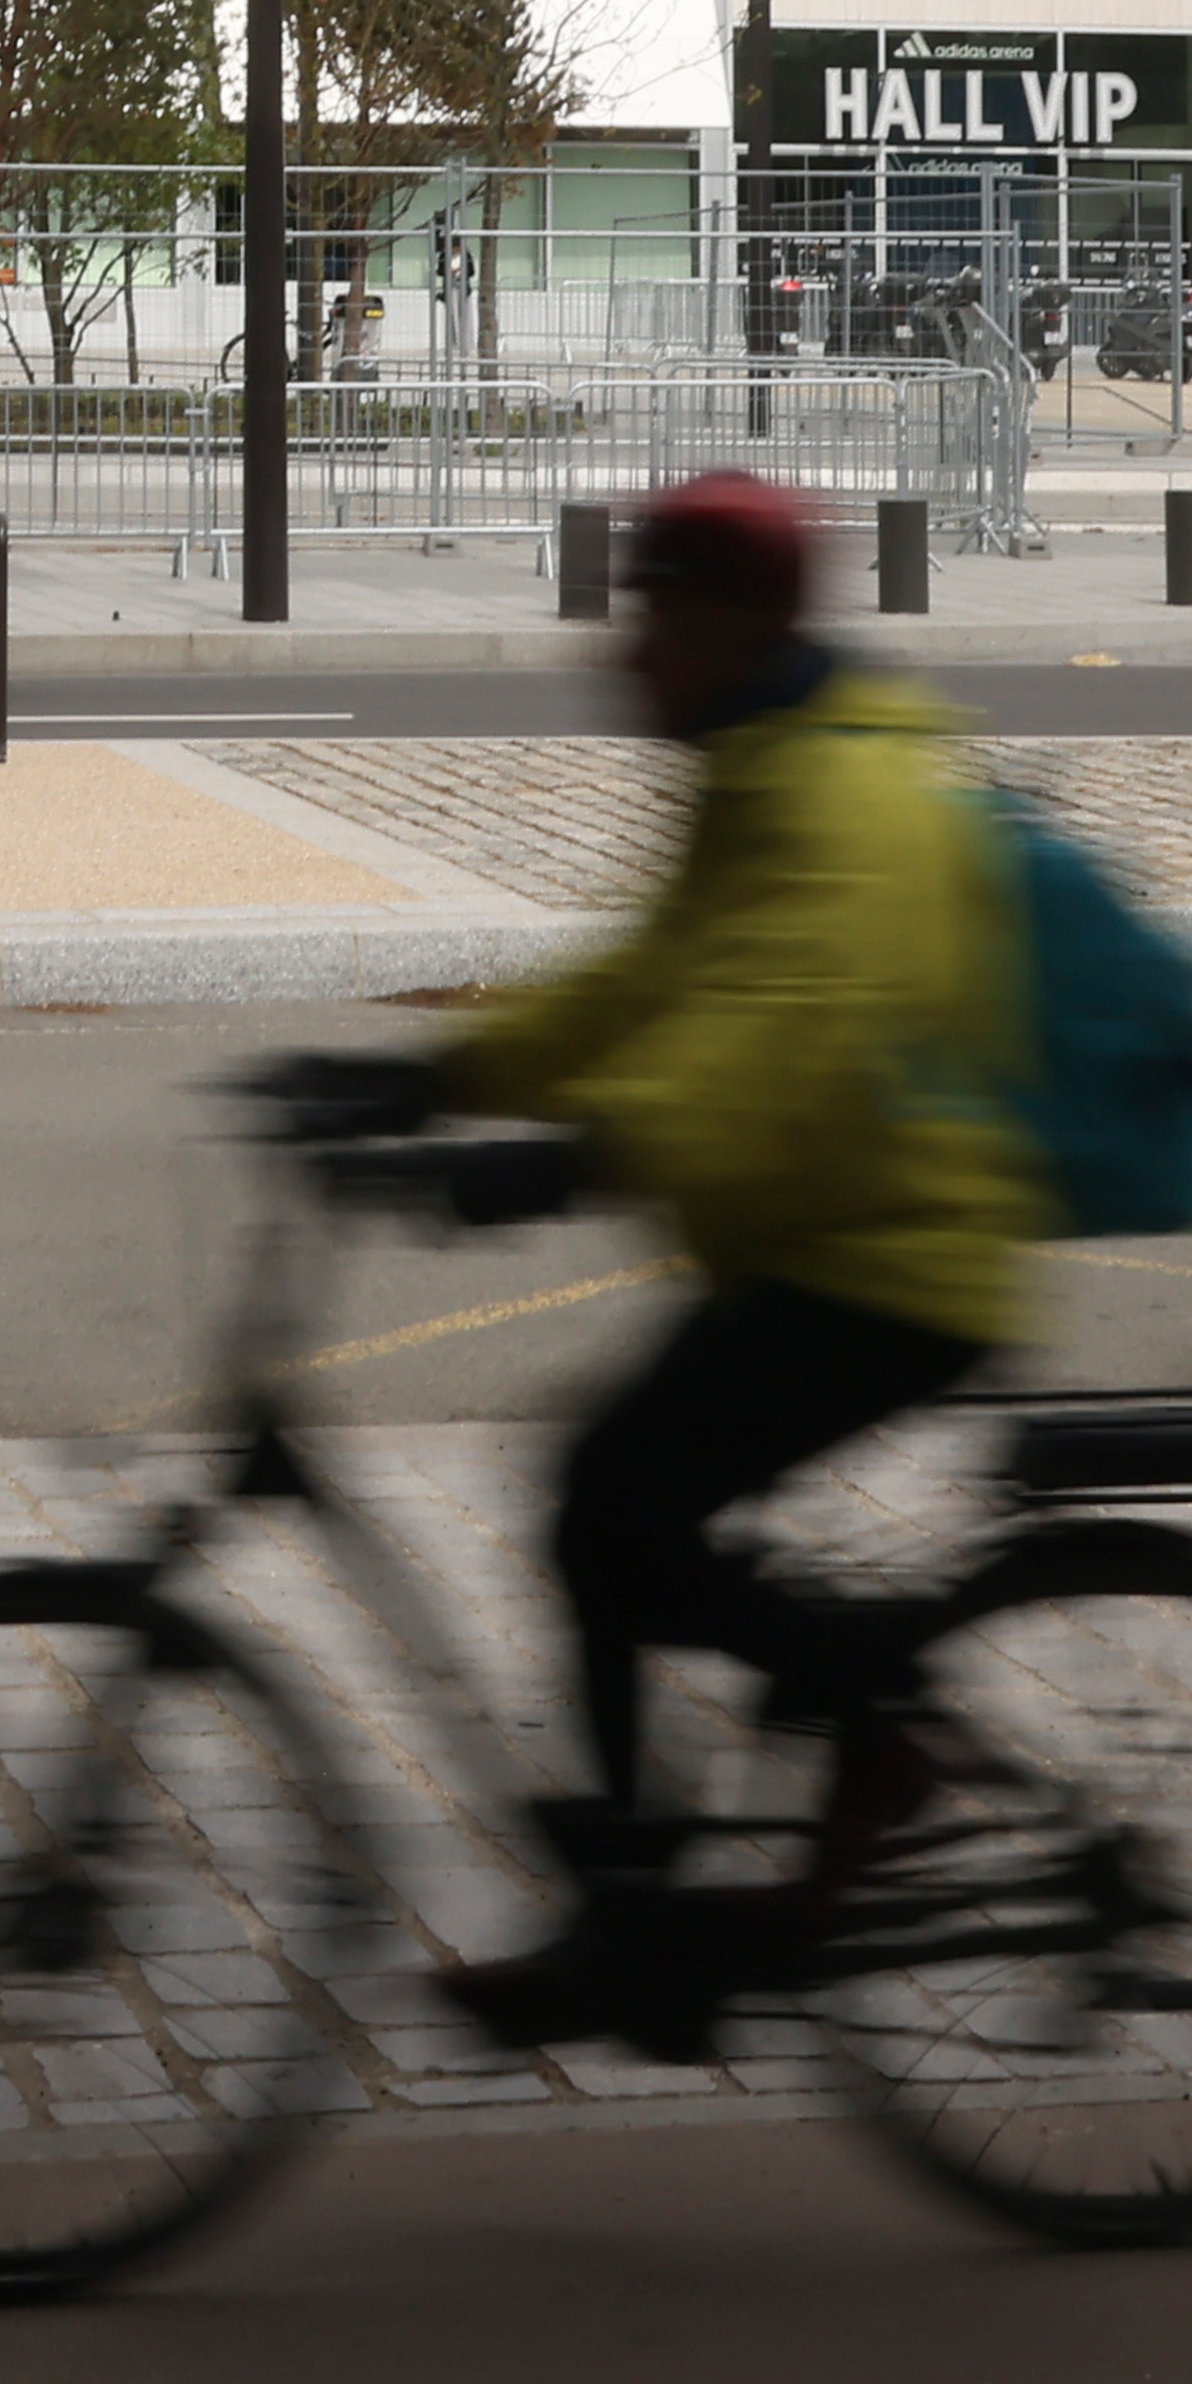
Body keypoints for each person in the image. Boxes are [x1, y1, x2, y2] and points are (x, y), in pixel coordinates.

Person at [344, 467, 1035, 2064]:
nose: (621, 654)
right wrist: (432, 1078)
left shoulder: (843, 797)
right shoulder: (760, 768)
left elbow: (781, 1046)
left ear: (733, 626)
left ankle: (876, 1739)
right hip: (808, 1244)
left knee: (612, 1510)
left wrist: (579, 1156)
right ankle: (644, 1904)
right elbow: (650, 986)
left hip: (896, 1263)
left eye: (648, 615)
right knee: (609, 1512)